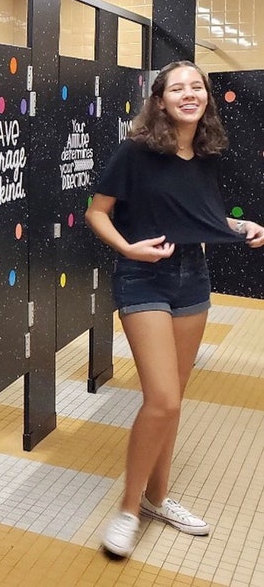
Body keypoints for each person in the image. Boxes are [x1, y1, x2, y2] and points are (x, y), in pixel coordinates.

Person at [85, 60, 264, 558]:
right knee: (161, 399)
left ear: (206, 97)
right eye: (177, 88)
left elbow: (197, 216)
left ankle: (157, 499)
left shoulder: (206, 155)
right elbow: (96, 212)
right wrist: (128, 249)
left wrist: (240, 225)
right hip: (143, 276)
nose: (189, 94)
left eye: (197, 87)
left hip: (192, 278)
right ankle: (127, 509)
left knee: (174, 402)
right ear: (159, 100)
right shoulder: (135, 153)